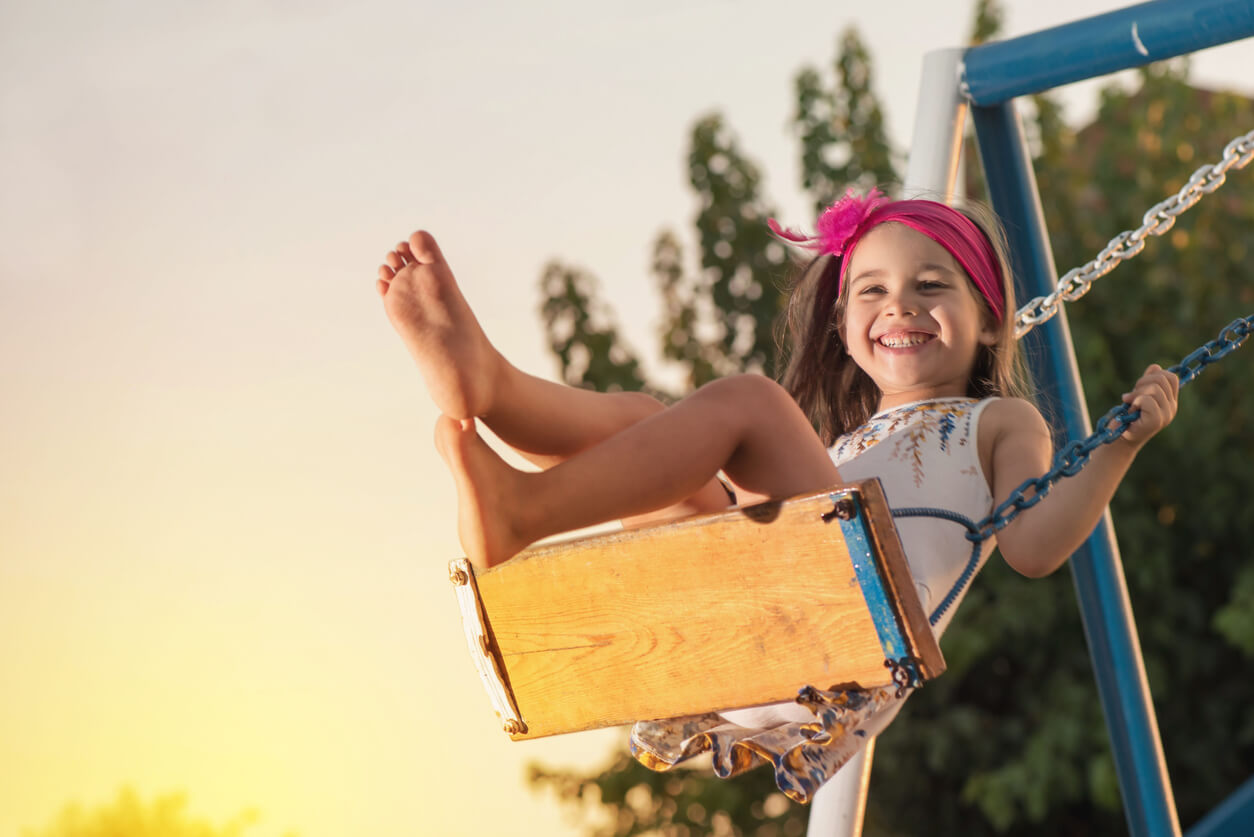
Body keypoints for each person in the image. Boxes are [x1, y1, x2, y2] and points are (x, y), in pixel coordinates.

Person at [374, 188, 1179, 801]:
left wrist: (1119, 446)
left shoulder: (1001, 419)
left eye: (932, 285)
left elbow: (1035, 546)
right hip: (764, 625)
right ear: (841, 322)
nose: (899, 305)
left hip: (850, 636)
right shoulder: (845, 447)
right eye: (870, 290)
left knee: (751, 404)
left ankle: (525, 511)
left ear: (991, 321)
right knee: (644, 422)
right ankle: (495, 389)